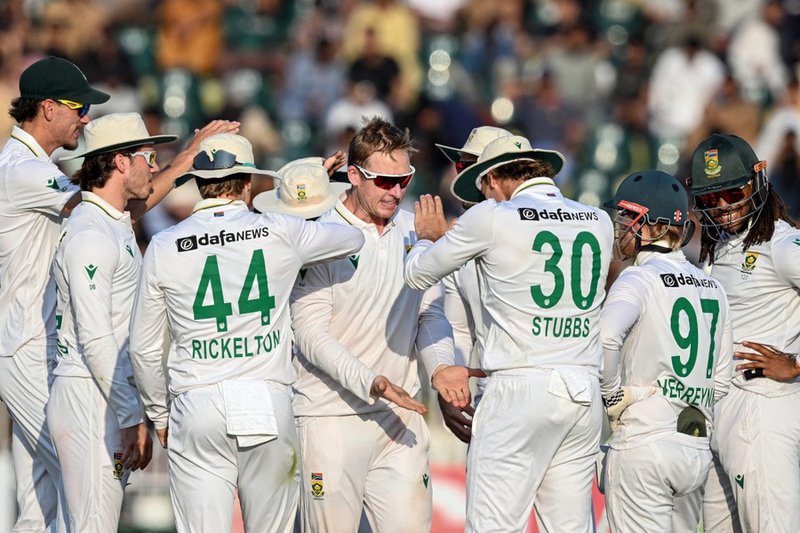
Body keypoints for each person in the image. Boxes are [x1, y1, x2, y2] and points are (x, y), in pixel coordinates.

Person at [0, 55, 238, 531]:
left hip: (40, 343)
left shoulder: (32, 166)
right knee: (89, 490)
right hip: (30, 345)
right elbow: (113, 198)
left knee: (41, 505)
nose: (84, 118)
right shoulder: (24, 170)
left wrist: (180, 165)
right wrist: (185, 163)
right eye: (78, 107)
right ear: (47, 108)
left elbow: (116, 204)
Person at [127, 133, 366, 533]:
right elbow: (353, 236)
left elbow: (145, 349)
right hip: (265, 395)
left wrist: (158, 414)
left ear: (200, 184)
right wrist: (310, 194)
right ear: (248, 184)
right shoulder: (279, 229)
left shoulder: (165, 245)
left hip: (196, 400)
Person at [405, 134, 614, 532]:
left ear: (495, 178)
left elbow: (417, 275)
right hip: (583, 390)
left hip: (520, 387)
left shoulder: (493, 216)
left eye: (482, 185)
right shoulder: (597, 220)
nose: (483, 195)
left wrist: (429, 240)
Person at [290, 117, 468, 533]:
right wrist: (374, 381)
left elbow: (430, 312)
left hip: (399, 417)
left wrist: (439, 366)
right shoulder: (319, 232)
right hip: (330, 416)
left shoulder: (415, 229)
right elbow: (310, 335)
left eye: (403, 180)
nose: (396, 191)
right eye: (382, 181)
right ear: (353, 175)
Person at [48, 112, 176, 530]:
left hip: (103, 394)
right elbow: (96, 337)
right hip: (89, 397)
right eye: (148, 156)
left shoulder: (112, 223)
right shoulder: (91, 234)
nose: (154, 166)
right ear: (121, 162)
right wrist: (131, 416)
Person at [600, 169, 733, 532]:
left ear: (645, 223)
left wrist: (612, 396)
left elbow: (606, 338)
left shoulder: (637, 277)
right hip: (694, 448)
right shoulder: (712, 286)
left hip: (644, 442)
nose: (620, 227)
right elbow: (721, 380)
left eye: (625, 217)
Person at [689, 133, 800, 533]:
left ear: (757, 182)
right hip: (720, 410)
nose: (723, 207)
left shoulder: (782, 244)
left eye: (732, 192)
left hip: (762, 406)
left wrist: (797, 363)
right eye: (709, 199)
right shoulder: (718, 246)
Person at [434, 125, 511, 442]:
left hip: (521, 386)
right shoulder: (460, 234)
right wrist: (452, 388)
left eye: (469, 167)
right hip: (492, 392)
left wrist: (433, 245)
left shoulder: (462, 235)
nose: (459, 176)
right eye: (459, 165)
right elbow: (458, 328)